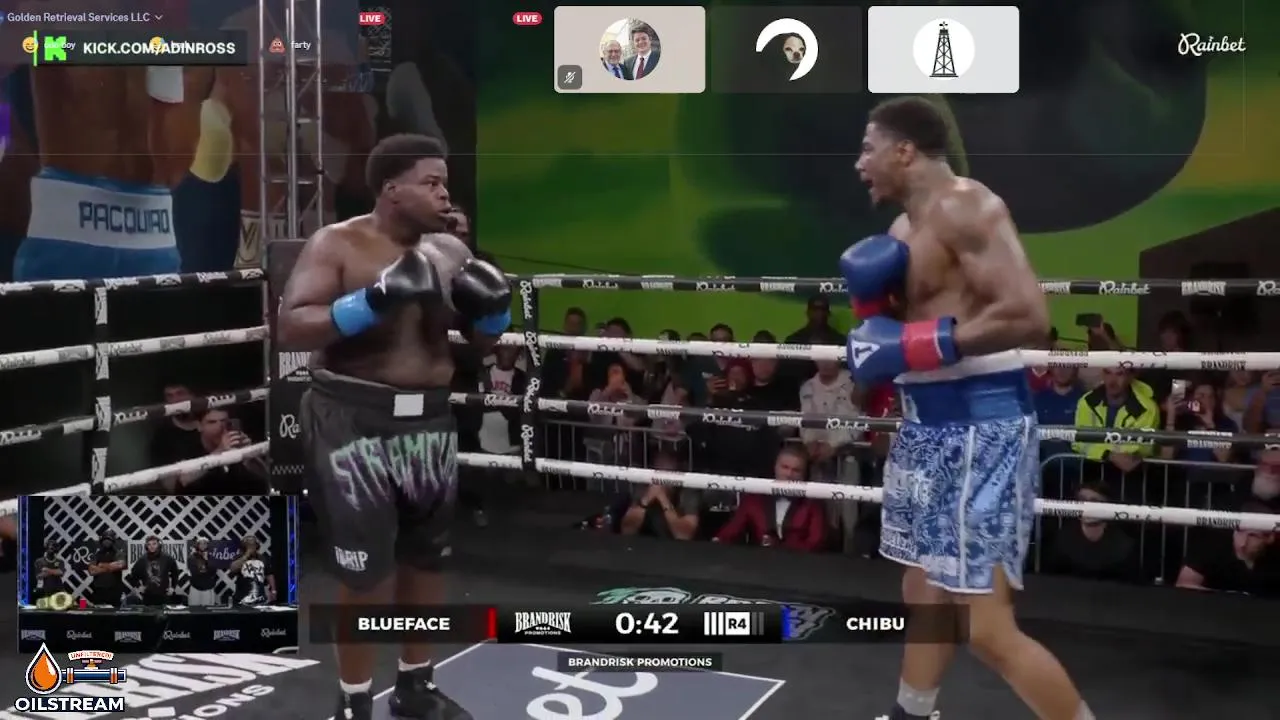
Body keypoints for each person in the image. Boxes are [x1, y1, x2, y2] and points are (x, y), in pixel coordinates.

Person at [846, 96, 1089, 720]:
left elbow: (1029, 316)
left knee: (985, 626)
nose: (859, 163)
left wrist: (921, 344)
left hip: (983, 426)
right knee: (923, 590)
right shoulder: (901, 234)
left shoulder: (967, 205)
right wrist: (876, 329)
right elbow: (901, 344)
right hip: (924, 425)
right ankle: (913, 712)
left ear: (905, 151)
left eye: (868, 149)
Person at [276, 132, 510, 720]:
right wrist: (373, 299)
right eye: (431, 182)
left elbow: (478, 343)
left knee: (427, 559)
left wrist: (494, 311)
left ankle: (414, 685)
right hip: (353, 420)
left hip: (428, 420)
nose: (444, 194)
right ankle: (354, 701)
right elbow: (292, 328)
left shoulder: (449, 250)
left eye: (445, 183)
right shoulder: (338, 243)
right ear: (391, 189)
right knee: (366, 572)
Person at [128, 536, 179, 606]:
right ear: (146, 546)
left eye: (154, 544)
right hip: (148, 596)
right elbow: (133, 575)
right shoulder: (142, 560)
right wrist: (138, 586)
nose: (152, 546)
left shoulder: (168, 558)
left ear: (159, 544)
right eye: (149, 544)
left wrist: (172, 588)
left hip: (164, 596)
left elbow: (175, 573)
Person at [230, 536, 276, 605]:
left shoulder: (263, 558)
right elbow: (233, 569)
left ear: (257, 546)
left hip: (260, 597)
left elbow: (269, 575)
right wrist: (246, 555)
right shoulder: (239, 557)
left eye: (253, 545)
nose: (251, 547)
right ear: (244, 546)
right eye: (248, 545)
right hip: (241, 597)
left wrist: (273, 590)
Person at [187, 537, 220, 606]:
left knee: (207, 609)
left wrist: (206, 560)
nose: (203, 545)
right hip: (196, 587)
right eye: (201, 544)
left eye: (205, 543)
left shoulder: (211, 558)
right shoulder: (192, 557)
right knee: (194, 608)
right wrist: (206, 571)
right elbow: (195, 572)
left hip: (208, 587)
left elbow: (213, 572)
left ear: (207, 545)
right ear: (197, 545)